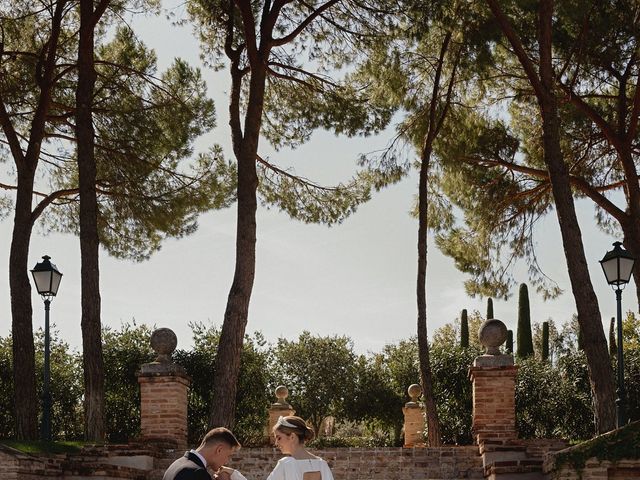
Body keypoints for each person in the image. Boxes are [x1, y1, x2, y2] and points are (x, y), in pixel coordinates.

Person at [220, 415, 333, 480]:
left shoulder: (286, 464)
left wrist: (234, 474)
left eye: (279, 438)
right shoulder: (322, 464)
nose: (276, 443)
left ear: (292, 437)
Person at [162, 427, 245, 480]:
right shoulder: (198, 474)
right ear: (219, 450)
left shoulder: (175, 465)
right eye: (228, 455)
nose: (226, 462)